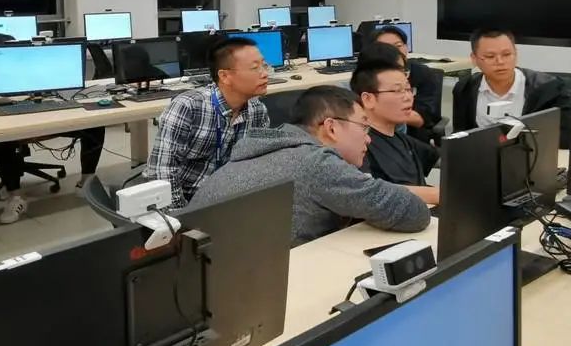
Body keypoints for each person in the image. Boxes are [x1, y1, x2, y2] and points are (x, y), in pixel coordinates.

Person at [188, 86, 430, 245]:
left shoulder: (258, 148)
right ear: (331, 128)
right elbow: (414, 213)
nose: (369, 138)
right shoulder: (317, 162)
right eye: (364, 127)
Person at [0, 33, 107, 224]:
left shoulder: (34, 66)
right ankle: (15, 197)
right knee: (2, 139)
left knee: (94, 125)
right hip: (11, 123)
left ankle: (86, 180)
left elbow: (68, 92)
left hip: (46, 119)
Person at [146, 36, 270, 208]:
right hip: (184, 199)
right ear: (225, 76)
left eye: (264, 65)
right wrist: (181, 217)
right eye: (255, 68)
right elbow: (162, 171)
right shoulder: (188, 107)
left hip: (226, 200)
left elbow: (258, 165)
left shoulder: (257, 111)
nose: (265, 73)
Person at [349, 59, 440, 206]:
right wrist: (437, 194)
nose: (408, 97)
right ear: (368, 99)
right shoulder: (357, 144)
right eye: (397, 91)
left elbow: (439, 158)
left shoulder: (402, 140)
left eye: (409, 89)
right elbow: (369, 191)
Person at [451, 29, 568, 142]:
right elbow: (460, 136)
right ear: (474, 59)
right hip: (481, 153)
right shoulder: (464, 89)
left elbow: (564, 137)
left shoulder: (548, 88)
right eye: (490, 56)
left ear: (516, 54)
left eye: (506, 54)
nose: (500, 62)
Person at [368, 26, 442, 143]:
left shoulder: (422, 73)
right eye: (386, 47)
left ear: (406, 47)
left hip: (413, 137)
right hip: (373, 137)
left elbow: (423, 119)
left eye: (398, 46)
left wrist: (383, 113)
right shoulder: (367, 76)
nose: (394, 51)